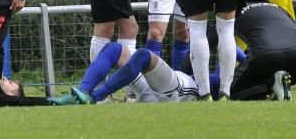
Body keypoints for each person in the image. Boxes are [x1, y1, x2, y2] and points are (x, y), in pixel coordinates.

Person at [47, 37, 248, 105]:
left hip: (177, 92)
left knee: (143, 55)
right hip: (158, 90)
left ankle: (95, 96)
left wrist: (247, 58)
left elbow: (226, 46)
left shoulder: (225, 81)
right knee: (114, 49)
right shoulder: (196, 58)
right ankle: (82, 92)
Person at [227, 0, 296, 101]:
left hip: (263, 55)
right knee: (270, 70)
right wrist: (293, 78)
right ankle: (280, 85)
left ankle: (271, 84)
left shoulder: (236, 11)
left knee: (228, 93)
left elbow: (216, 34)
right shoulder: (279, 9)